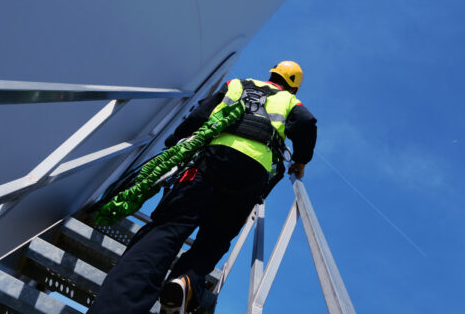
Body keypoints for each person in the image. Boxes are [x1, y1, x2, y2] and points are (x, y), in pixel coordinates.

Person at [87, 61, 317, 314]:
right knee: (215, 240)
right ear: (294, 86)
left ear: (272, 74)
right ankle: (186, 280)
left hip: (208, 162)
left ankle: (116, 307)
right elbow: (306, 122)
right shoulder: (289, 101)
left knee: (167, 230)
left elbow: (199, 116)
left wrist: (175, 143)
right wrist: (301, 160)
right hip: (252, 175)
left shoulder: (236, 85)